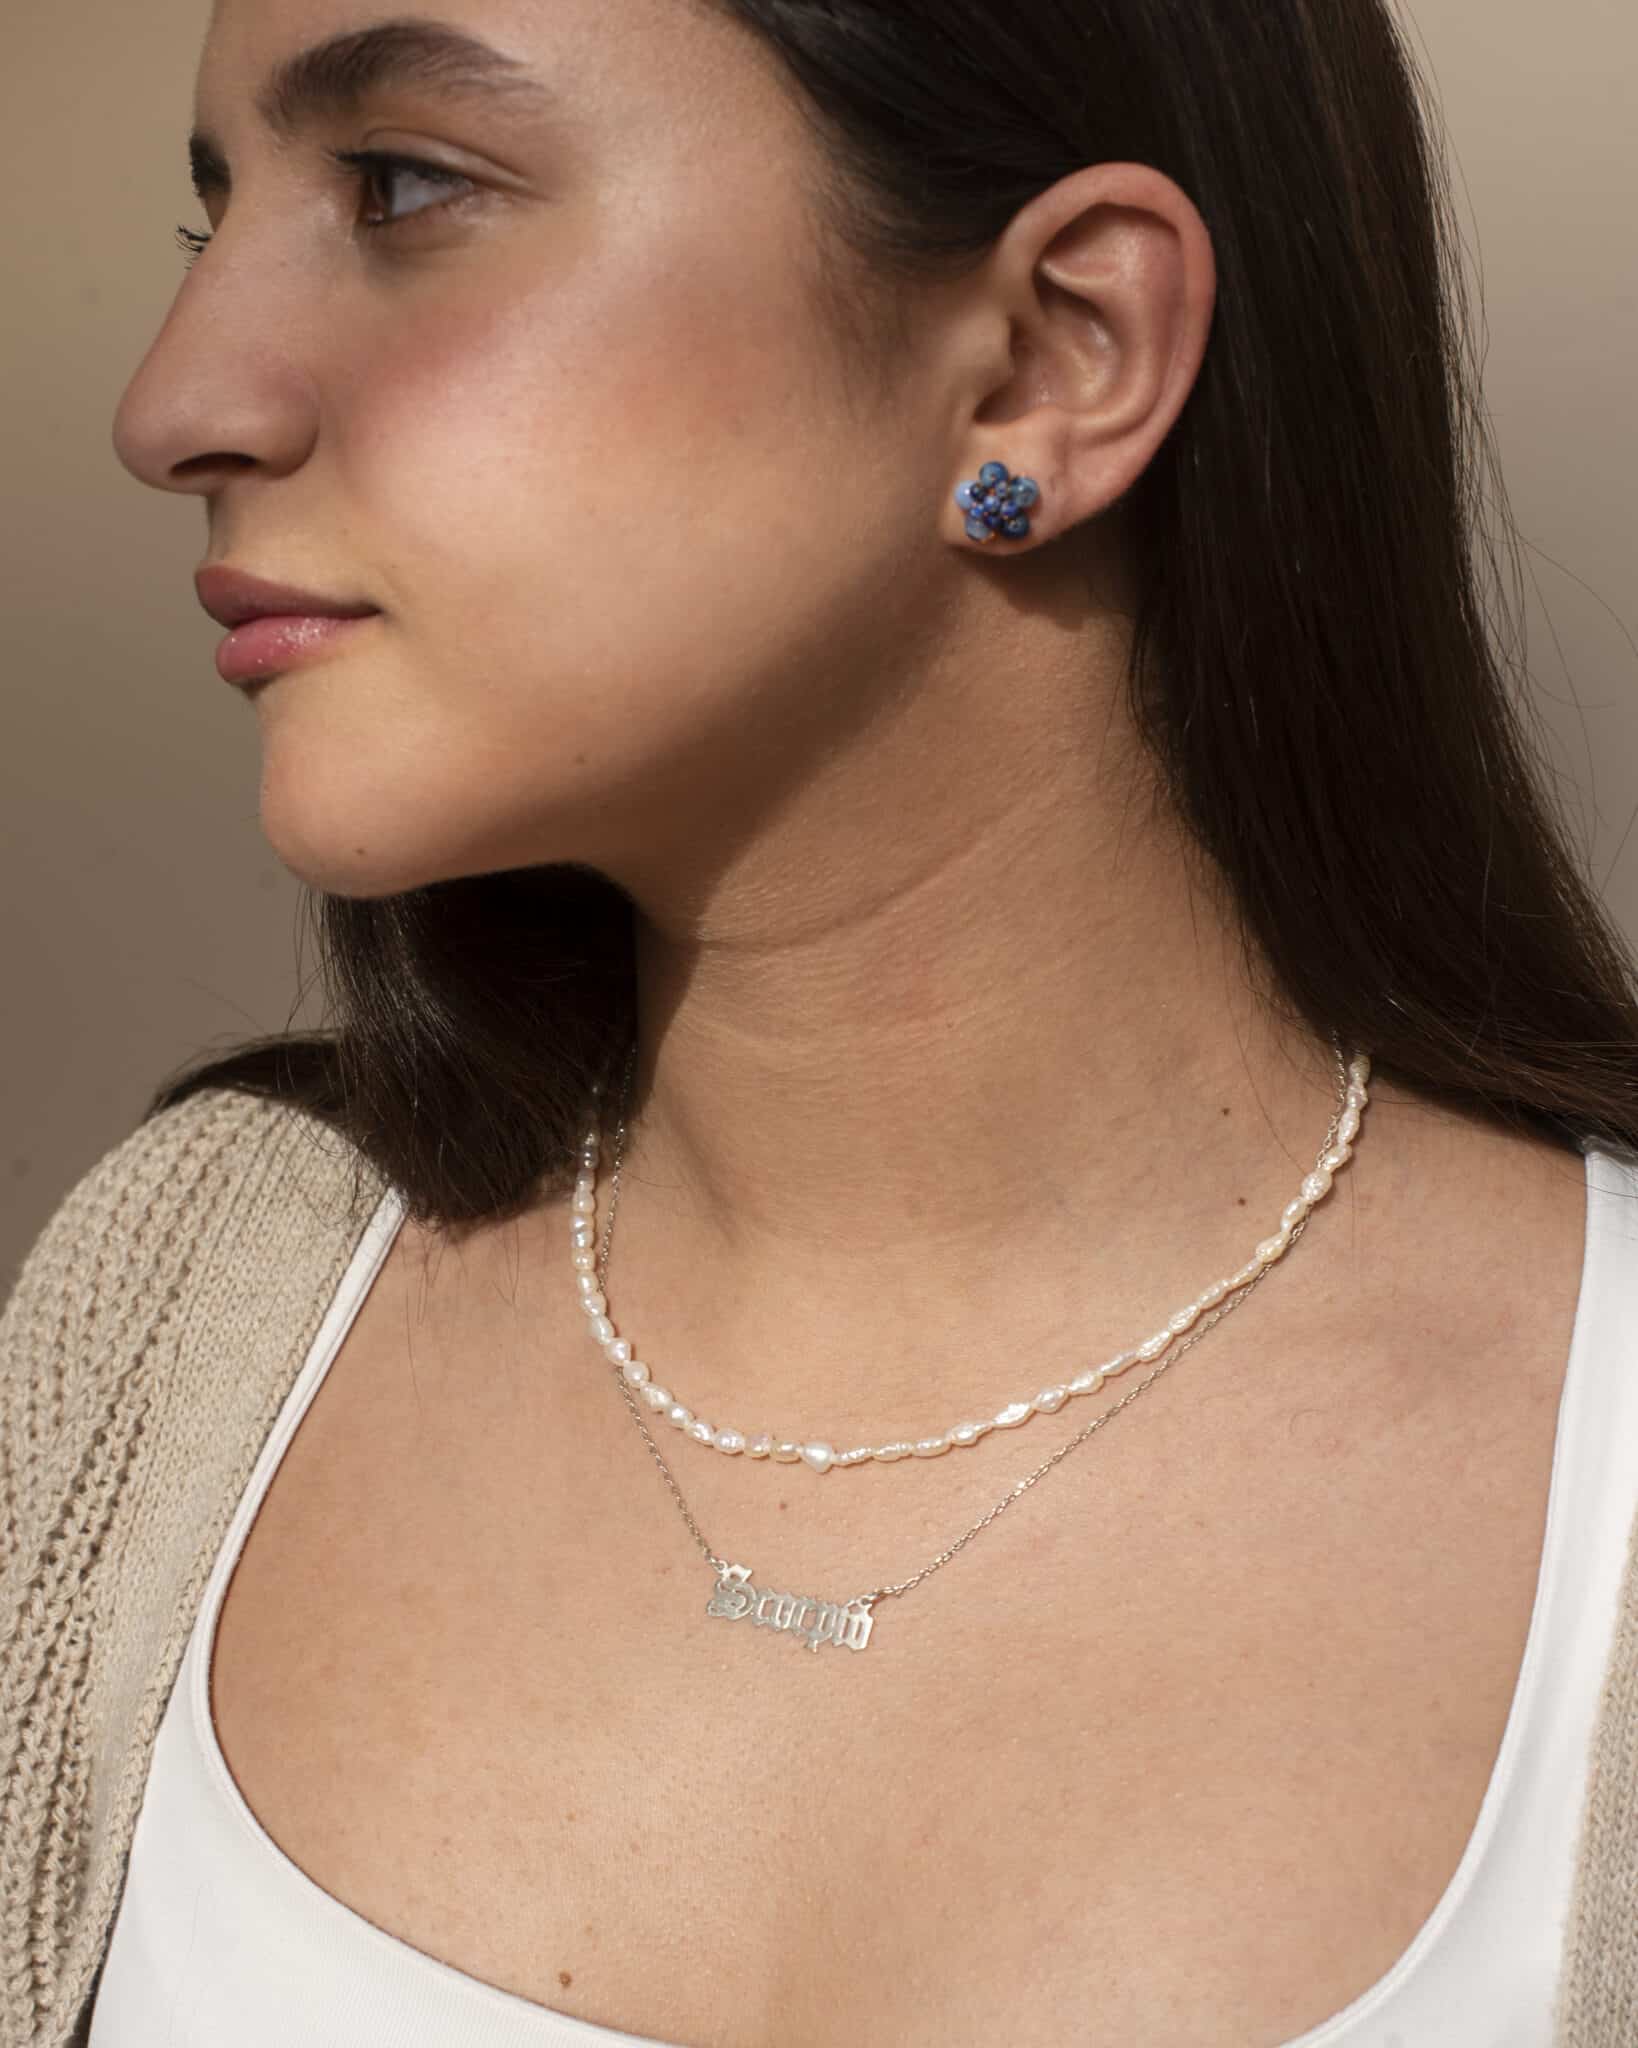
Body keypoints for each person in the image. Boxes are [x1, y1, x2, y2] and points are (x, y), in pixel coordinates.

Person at [3, 0, 1635, 2042]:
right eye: (213, 217)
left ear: (1051, 360)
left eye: (405, 189)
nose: (177, 404)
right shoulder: (177, 1326)